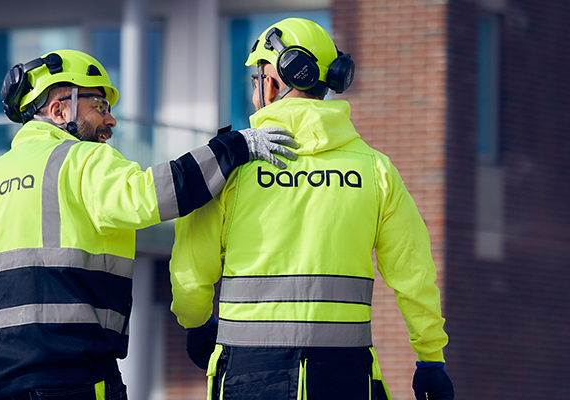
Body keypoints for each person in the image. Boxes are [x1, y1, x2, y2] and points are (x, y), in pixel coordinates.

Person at [0, 49, 298, 400]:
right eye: (99, 106)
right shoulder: (80, 159)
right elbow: (152, 195)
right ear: (59, 110)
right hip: (66, 377)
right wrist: (234, 147)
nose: (111, 120)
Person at [168, 18, 455, 400]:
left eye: (257, 79)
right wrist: (430, 358)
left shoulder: (230, 167)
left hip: (247, 376)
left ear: (271, 83)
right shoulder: (374, 169)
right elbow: (414, 274)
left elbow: (190, 274)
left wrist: (197, 324)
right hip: (346, 378)